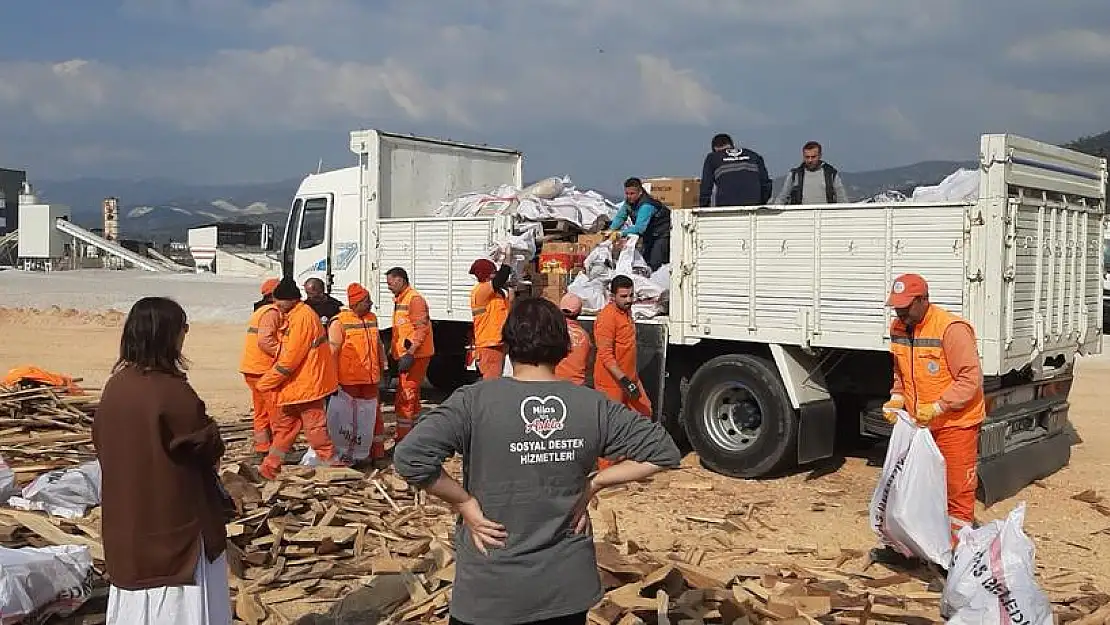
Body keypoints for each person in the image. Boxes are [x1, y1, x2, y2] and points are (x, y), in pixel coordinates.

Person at [393, 297, 681, 625]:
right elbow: (664, 452)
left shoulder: (474, 402)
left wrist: (465, 502)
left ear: (508, 342)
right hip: (565, 590)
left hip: (491, 592)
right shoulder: (592, 405)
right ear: (563, 347)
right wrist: (594, 484)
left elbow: (410, 457)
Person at [93, 297, 231, 624]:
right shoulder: (170, 392)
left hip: (128, 526)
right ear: (166, 334)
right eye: (183, 328)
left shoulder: (116, 387)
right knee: (179, 608)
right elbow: (207, 446)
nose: (185, 335)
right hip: (174, 528)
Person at [879, 273, 985, 557]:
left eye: (905, 306)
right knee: (914, 488)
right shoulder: (899, 328)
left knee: (955, 493)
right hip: (920, 426)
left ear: (924, 300)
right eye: (897, 306)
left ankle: (954, 556)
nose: (900, 312)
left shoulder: (951, 329)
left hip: (955, 424)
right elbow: (901, 372)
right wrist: (896, 398)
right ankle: (911, 549)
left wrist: (939, 406)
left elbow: (970, 378)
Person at [258, 277, 343, 478]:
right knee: (286, 428)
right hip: (297, 386)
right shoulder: (296, 315)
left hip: (306, 385)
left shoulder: (302, 318)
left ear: (290, 300)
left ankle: (332, 465)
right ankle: (270, 466)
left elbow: (290, 358)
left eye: (279, 302)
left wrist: (267, 383)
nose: (276, 306)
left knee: (315, 427)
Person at [328, 282, 389, 464]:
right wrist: (331, 379)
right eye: (367, 301)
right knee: (349, 418)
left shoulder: (372, 318)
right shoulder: (339, 322)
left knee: (373, 415)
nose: (370, 304)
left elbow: (378, 346)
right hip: (349, 380)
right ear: (355, 303)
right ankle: (349, 453)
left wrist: (383, 367)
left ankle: (376, 452)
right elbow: (332, 353)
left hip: (370, 378)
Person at [386, 267, 435, 443]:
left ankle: (404, 438)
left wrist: (410, 353)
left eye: (390, 283)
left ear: (400, 280)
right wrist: (394, 351)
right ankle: (411, 434)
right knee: (410, 396)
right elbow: (402, 329)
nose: (389, 287)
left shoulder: (413, 300)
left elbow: (421, 329)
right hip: (410, 355)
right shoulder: (402, 299)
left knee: (406, 396)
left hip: (415, 356)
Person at [239, 279, 283, 456]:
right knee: (276, 411)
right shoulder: (272, 313)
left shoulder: (260, 311)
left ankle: (263, 446)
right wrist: (283, 354)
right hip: (264, 369)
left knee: (261, 411)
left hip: (252, 368)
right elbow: (265, 341)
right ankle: (279, 450)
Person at [605, 177, 670, 271]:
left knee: (655, 263)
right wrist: (611, 230)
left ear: (640, 192)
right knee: (644, 261)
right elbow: (621, 217)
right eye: (627, 193)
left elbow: (640, 228)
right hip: (650, 234)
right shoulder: (629, 203)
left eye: (632, 193)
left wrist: (620, 233)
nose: (629, 196)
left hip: (662, 234)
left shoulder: (646, 205)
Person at [698, 133, 773, 207]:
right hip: (754, 207)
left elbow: (706, 188)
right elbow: (766, 185)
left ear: (715, 149)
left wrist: (703, 208)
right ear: (732, 145)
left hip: (726, 209)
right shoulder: (754, 155)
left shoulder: (712, 158)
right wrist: (760, 203)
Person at [469, 258, 513, 380]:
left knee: (495, 380)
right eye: (493, 272)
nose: (495, 274)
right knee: (491, 383)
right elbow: (501, 277)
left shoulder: (496, 295)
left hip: (497, 343)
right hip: (488, 345)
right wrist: (508, 257)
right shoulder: (481, 290)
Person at [773, 141, 849, 205]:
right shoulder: (794, 175)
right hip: (801, 219)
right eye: (807, 157)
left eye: (813, 157)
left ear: (820, 156)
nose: (810, 160)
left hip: (826, 219)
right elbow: (782, 198)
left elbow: (842, 199)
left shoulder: (831, 174)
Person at [555, 293, 591, 386]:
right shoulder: (585, 337)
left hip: (556, 385)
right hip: (578, 386)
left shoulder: (553, 332)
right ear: (579, 312)